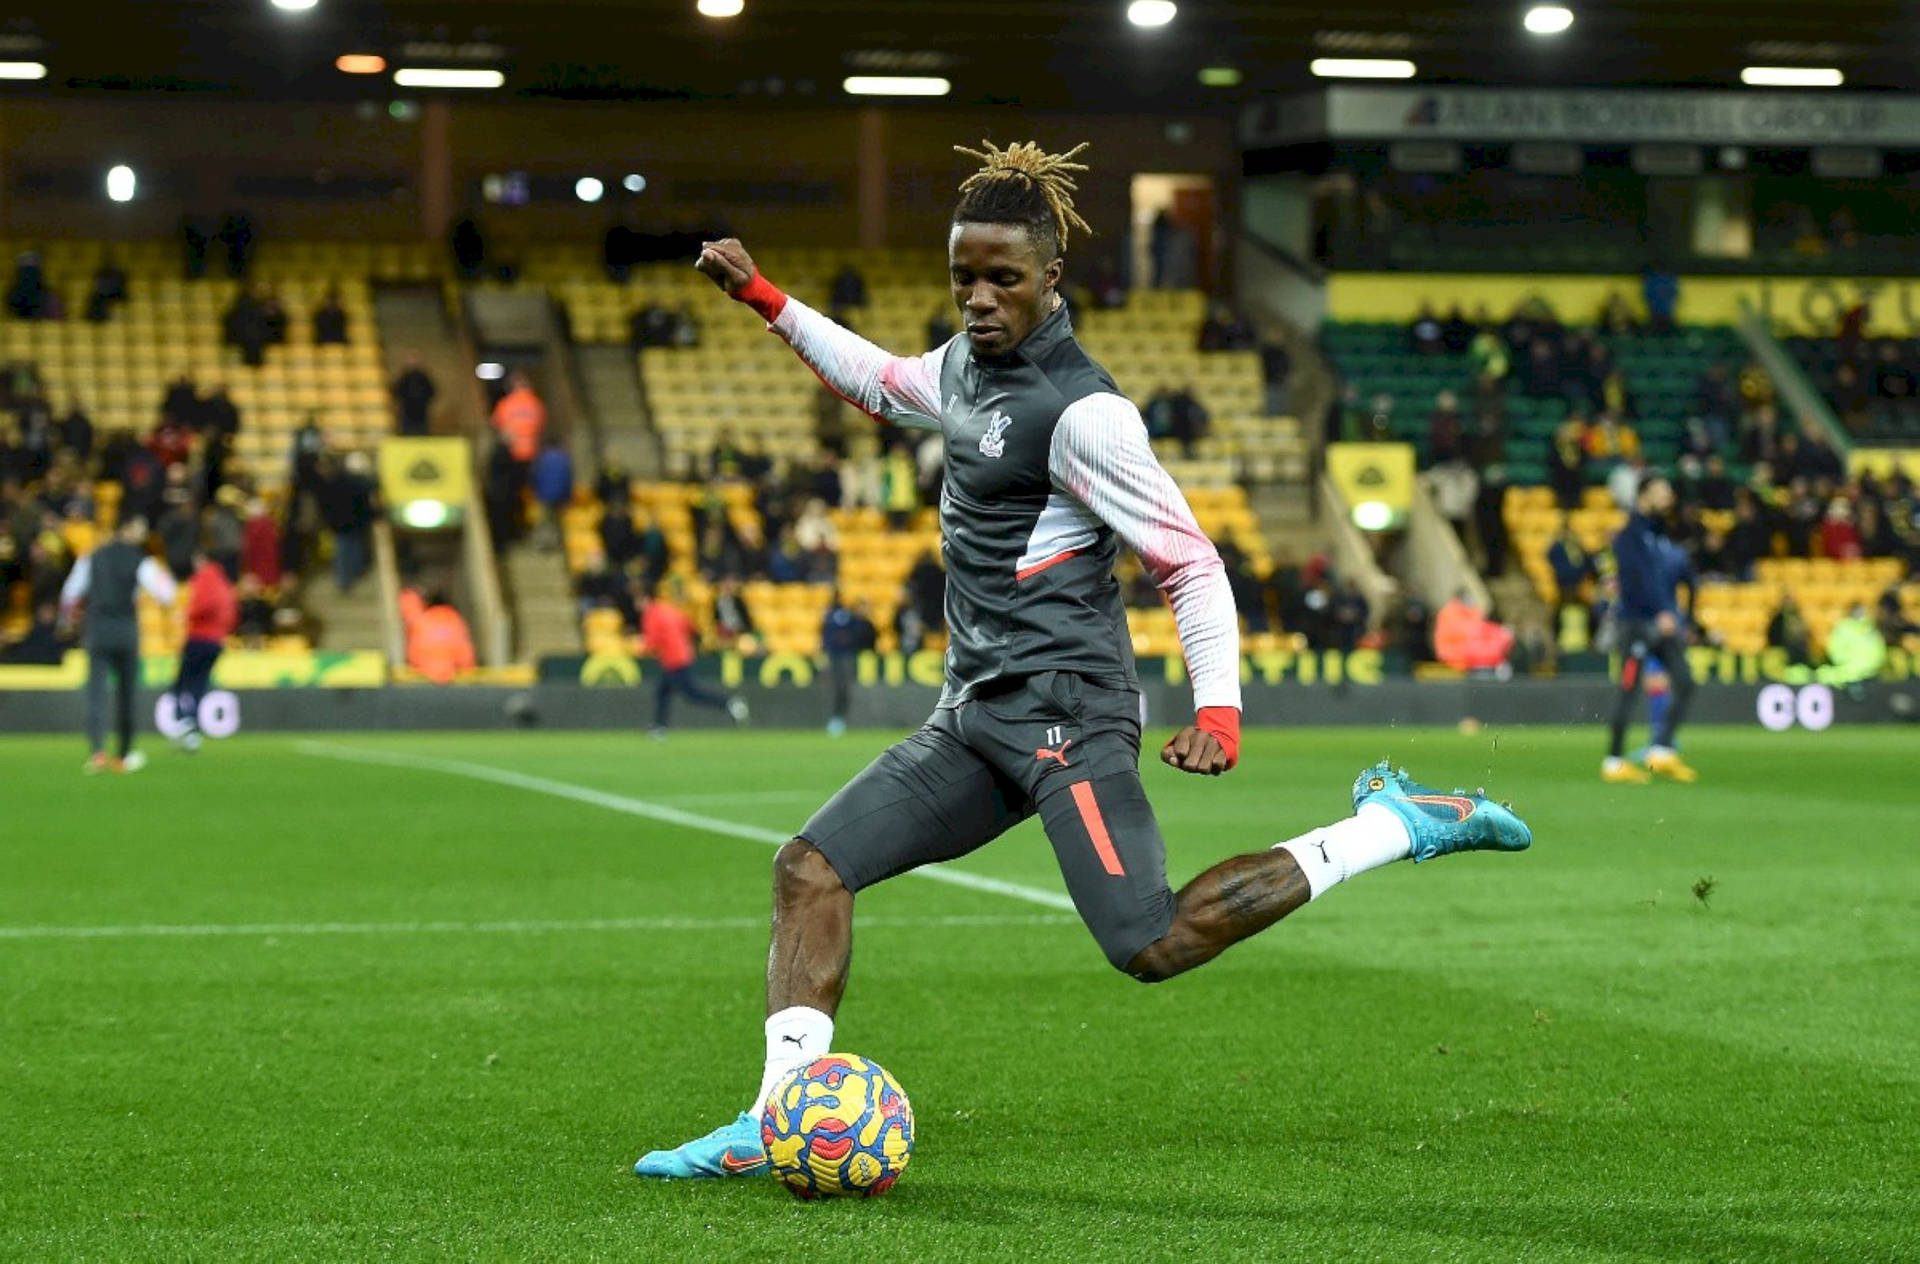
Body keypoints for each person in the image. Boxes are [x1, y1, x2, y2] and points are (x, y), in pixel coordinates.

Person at [634, 139, 1531, 1181]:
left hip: (1068, 712)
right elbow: (878, 382)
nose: (978, 298)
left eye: (1002, 278)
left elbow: (1189, 564)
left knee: (1148, 943)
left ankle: (1389, 826)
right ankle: (773, 1117)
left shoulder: (1086, 413)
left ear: (1051, 279)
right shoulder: (963, 367)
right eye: (963, 276)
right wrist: (767, 298)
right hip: (973, 714)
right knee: (808, 869)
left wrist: (1221, 708)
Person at [58, 515, 178, 774]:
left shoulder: (92, 557)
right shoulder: (140, 560)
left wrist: (66, 621)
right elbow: (167, 592)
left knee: (97, 695)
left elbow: (70, 593)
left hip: (98, 631)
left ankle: (98, 753)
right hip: (126, 631)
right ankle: (123, 756)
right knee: (127, 695)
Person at [1603, 474, 1698, 785]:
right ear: (1644, 495)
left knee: (1684, 681)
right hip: (1636, 625)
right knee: (1628, 690)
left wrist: (1678, 614)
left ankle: (1662, 751)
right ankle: (1614, 761)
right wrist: (1660, 612)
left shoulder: (1657, 533)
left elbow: (1668, 577)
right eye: (1662, 490)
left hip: (1662, 622)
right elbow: (1635, 582)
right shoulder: (1631, 534)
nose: (1668, 496)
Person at [639, 581, 749, 737]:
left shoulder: (651, 614)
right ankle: (659, 727)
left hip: (673, 660)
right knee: (663, 692)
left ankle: (730, 704)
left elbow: (651, 642)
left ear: (645, 600)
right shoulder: (668, 609)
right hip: (683, 655)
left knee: (692, 694)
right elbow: (688, 625)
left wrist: (639, 648)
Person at [170, 546, 237, 752]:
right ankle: (192, 729)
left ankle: (183, 721)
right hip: (216, 641)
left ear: (202, 559)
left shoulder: (205, 577)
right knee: (199, 684)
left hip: (199, 638)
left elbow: (205, 603)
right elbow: (230, 612)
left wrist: (187, 614)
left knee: (180, 684)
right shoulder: (224, 581)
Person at [820, 592, 878, 736]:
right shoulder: (843, 618)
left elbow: (869, 637)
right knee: (839, 688)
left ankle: (839, 720)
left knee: (844, 688)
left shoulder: (854, 620)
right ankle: (836, 719)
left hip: (846, 657)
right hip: (839, 657)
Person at [405, 590, 477, 684]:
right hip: (452, 675)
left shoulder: (423, 620)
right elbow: (464, 651)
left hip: (424, 676)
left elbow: (414, 651)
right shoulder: (454, 619)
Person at [392, 353, 437, 436]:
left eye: (415, 359)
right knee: (407, 432)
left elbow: (432, 391)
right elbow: (396, 391)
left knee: (422, 433)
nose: (413, 361)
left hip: (421, 411)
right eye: (411, 359)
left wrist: (425, 401)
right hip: (407, 411)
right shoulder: (403, 377)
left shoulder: (423, 377)